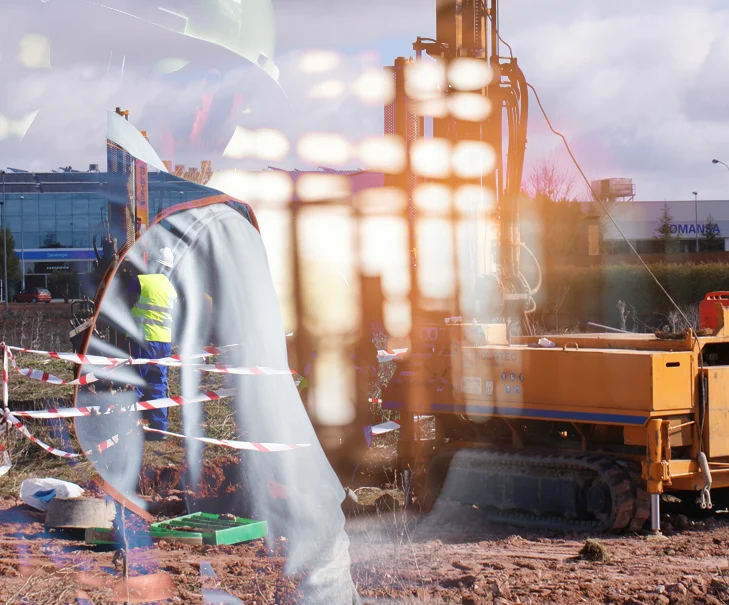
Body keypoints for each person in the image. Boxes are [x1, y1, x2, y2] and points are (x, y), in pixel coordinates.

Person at [126, 247, 178, 439]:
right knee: (158, 383)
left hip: (143, 339)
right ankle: (159, 430)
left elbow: (124, 299)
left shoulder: (142, 281)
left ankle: (127, 426)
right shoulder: (171, 288)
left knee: (136, 382)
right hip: (164, 342)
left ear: (154, 263)